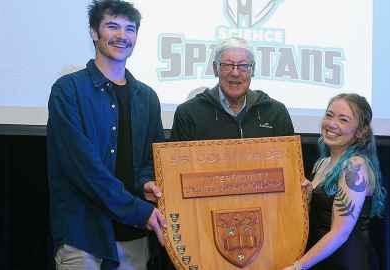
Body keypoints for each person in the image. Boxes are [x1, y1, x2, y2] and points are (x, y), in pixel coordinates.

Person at [47, 1, 167, 269]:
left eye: (129, 29)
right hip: (83, 234)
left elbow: (150, 158)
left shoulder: (147, 97)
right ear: (93, 32)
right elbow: (84, 169)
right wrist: (138, 210)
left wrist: (146, 182)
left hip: (133, 237)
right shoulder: (68, 91)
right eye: (112, 26)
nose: (122, 36)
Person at [284, 93, 386, 270]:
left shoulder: (355, 166)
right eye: (329, 115)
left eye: (343, 120)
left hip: (346, 263)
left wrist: (298, 266)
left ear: (360, 132)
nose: (331, 124)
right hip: (319, 261)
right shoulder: (321, 164)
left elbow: (340, 232)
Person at [170, 37, 294, 141]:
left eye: (243, 66)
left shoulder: (275, 113)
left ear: (253, 70)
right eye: (227, 65)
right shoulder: (188, 114)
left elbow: (289, 166)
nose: (235, 73)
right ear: (215, 69)